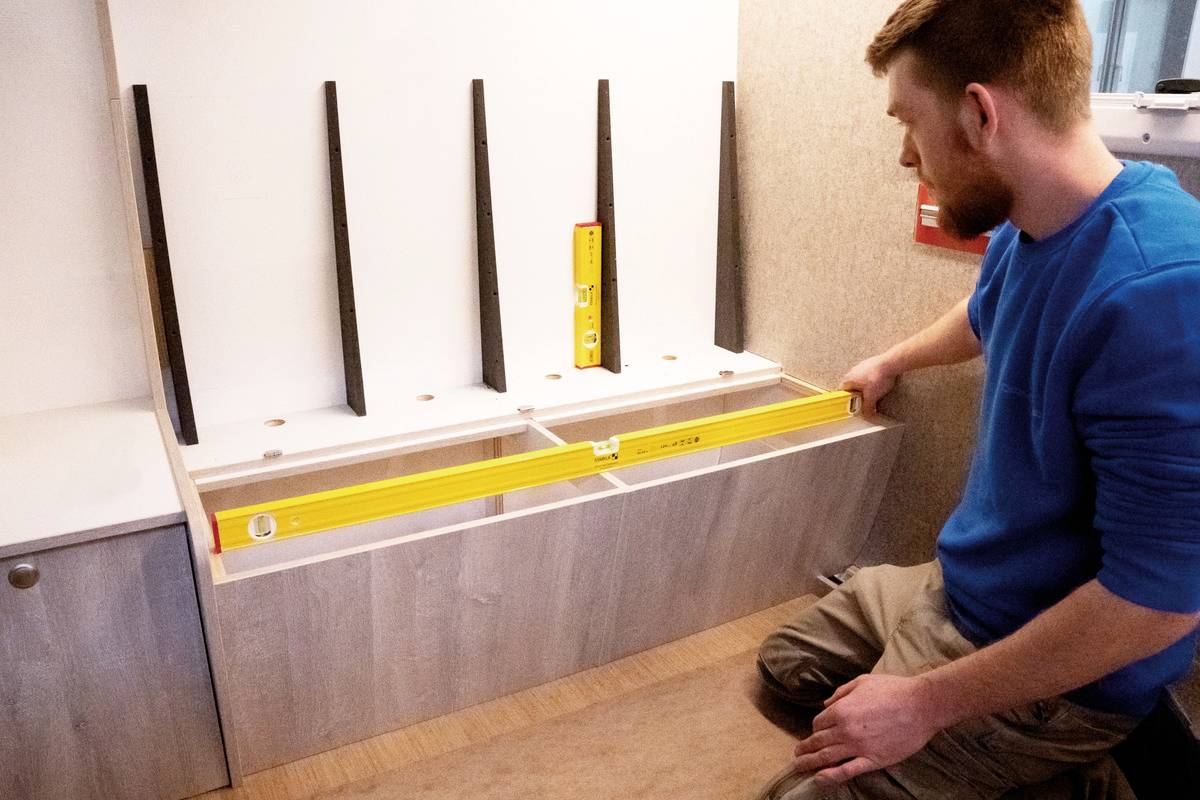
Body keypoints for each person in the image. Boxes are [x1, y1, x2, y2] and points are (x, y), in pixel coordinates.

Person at [754, 1, 1200, 798]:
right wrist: (893, 359)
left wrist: (921, 704)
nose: (904, 156)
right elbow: (987, 312)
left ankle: (1080, 770)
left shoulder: (1162, 295)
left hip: (1062, 676)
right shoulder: (1039, 225)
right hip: (964, 589)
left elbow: (1159, 602)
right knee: (786, 667)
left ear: (979, 113)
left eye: (909, 122)